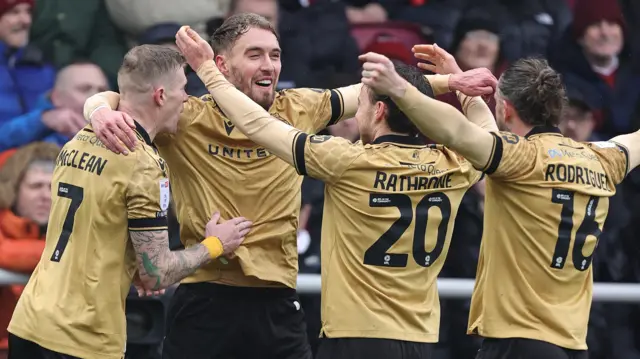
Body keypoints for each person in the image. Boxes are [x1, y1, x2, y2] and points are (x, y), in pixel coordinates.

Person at [82, 13, 496, 359]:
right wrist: (98, 110)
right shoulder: (185, 116)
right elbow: (123, 97)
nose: (269, 65)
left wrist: (448, 84)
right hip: (207, 294)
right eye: (255, 55)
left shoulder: (298, 107)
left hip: (277, 299)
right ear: (221, 65)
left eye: (275, 55)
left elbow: (365, 93)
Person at [362, 44, 640, 359]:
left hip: (519, 339)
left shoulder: (518, 158)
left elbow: (457, 132)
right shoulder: (604, 158)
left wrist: (400, 89)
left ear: (505, 109)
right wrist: (460, 81)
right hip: (573, 343)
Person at [6, 44, 251, 359]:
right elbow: (156, 273)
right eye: (183, 90)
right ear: (161, 95)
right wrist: (216, 244)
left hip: (29, 323)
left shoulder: (78, 137)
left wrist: (134, 262)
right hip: (81, 337)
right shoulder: (143, 164)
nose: (187, 99)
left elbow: (101, 228)